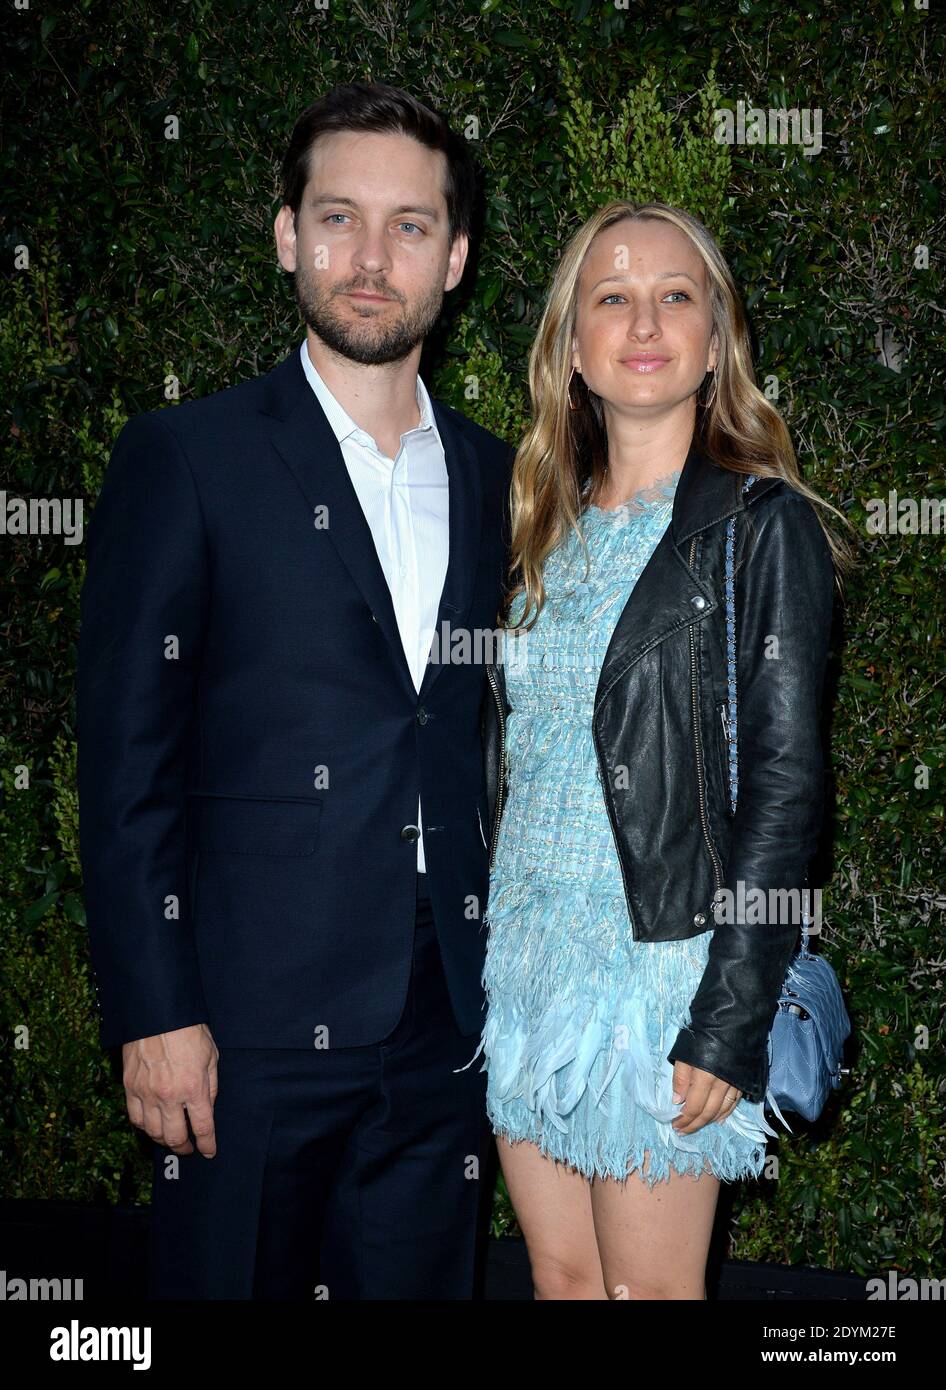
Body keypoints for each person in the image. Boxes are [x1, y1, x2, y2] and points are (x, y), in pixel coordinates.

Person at [77, 81, 513, 1300]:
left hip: (445, 1034)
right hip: (240, 1037)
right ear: (286, 235)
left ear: (456, 258)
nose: (370, 259)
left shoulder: (496, 478)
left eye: (410, 226)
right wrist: (152, 1013)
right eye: (338, 217)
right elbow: (126, 764)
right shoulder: (187, 457)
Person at [469, 200, 853, 1300]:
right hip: (527, 975)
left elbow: (786, 793)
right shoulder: (537, 527)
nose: (645, 319)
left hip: (663, 979)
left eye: (675, 294)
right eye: (612, 297)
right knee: (561, 1278)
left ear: (715, 336)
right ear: (573, 348)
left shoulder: (759, 526)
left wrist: (728, 1018)